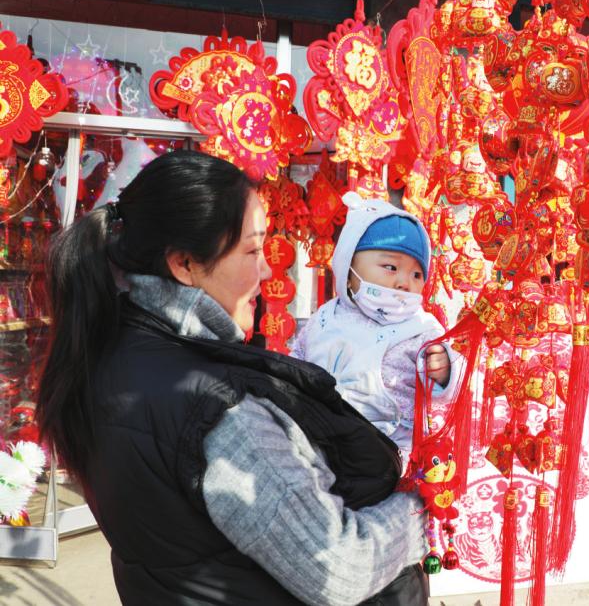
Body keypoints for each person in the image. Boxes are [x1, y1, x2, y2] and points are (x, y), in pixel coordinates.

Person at [37, 150, 428, 605]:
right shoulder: (221, 412)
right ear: (184, 264)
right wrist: (423, 510)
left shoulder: (108, 351)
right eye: (252, 250)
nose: (267, 269)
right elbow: (339, 571)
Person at [292, 193, 462, 467]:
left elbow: (448, 393)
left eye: (417, 274)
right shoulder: (325, 317)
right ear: (349, 271)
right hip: (319, 443)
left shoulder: (422, 328)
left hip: (388, 452)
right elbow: (297, 361)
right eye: (390, 267)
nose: (404, 282)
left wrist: (444, 371)